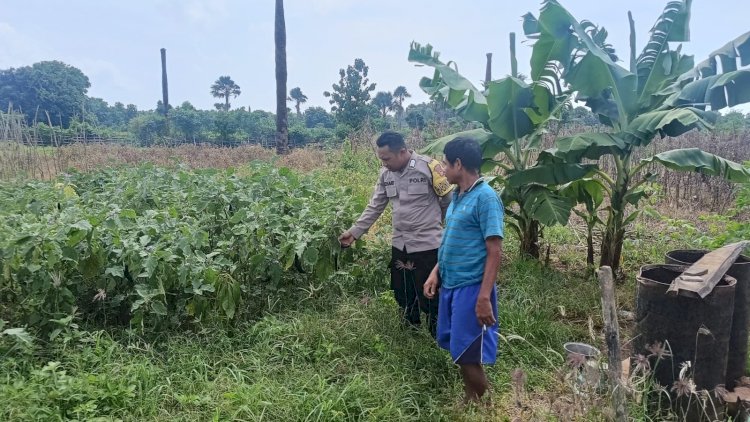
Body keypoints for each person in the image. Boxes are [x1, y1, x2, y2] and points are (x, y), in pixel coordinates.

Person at [339, 131, 453, 337]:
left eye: (387, 159)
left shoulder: (429, 167)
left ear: (402, 152)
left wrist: (439, 225)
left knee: (431, 291)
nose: (384, 163)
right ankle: (411, 330)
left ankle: (438, 334)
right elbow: (375, 206)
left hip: (428, 245)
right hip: (401, 244)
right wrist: (355, 232)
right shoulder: (386, 175)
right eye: (381, 159)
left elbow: (448, 201)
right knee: (403, 291)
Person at [423, 137, 504, 403]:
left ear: (459, 163)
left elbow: (495, 250)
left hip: (471, 287)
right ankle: (471, 400)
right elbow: (451, 240)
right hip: (452, 284)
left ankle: (486, 405)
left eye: (445, 163)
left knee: (468, 351)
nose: (443, 169)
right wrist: (436, 271)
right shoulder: (458, 195)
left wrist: (483, 297)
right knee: (460, 350)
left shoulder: (486, 198)